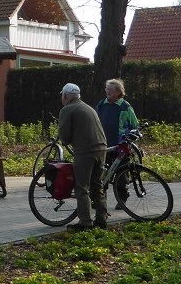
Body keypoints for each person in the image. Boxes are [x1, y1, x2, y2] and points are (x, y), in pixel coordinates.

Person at [57, 82, 108, 230]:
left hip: (85, 151)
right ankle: (101, 219)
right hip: (101, 149)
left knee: (82, 188)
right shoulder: (88, 107)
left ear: (65, 96)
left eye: (62, 95)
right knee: (97, 186)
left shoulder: (68, 109)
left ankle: (85, 223)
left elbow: (64, 137)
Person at [96, 78, 139, 209]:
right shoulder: (101, 104)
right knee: (101, 174)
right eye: (106, 89)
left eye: (111, 89)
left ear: (119, 92)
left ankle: (122, 199)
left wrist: (133, 135)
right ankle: (99, 200)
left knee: (121, 175)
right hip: (103, 144)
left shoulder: (125, 106)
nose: (107, 91)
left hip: (120, 146)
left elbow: (134, 124)